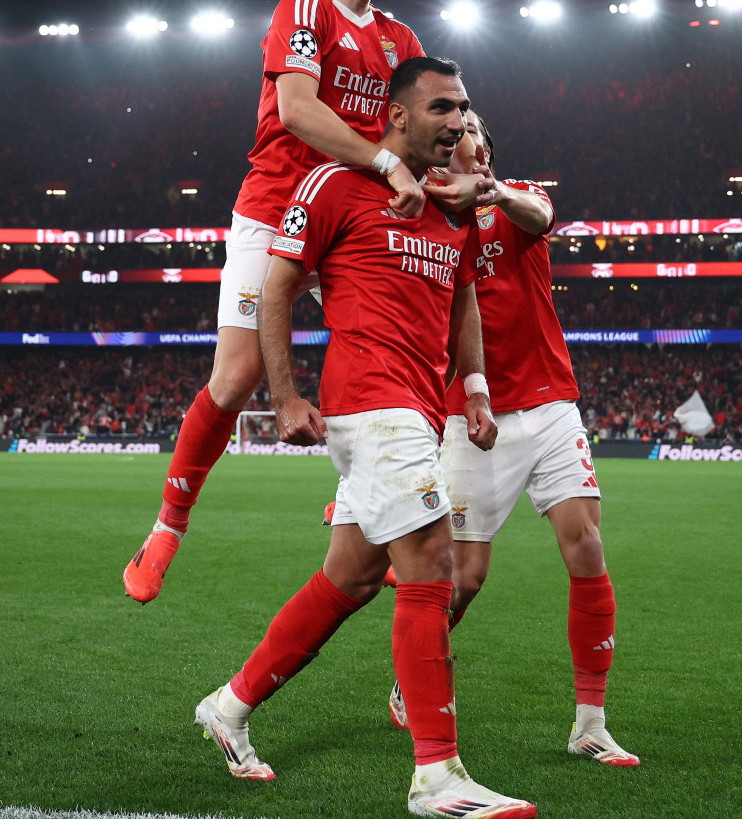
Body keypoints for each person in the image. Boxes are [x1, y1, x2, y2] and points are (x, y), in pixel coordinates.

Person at [193, 58, 536, 818]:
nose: (458, 121)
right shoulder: (334, 184)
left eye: (465, 108)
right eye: (443, 107)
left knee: (347, 580)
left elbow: (464, 303)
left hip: (419, 408)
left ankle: (231, 703)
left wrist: (475, 394)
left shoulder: (452, 205)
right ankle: (437, 777)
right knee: (431, 562)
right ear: (398, 117)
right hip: (369, 405)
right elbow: (277, 289)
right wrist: (284, 396)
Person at [123, 0, 431, 604]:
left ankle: (364, 504)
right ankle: (169, 524)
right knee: (234, 382)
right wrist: (386, 164)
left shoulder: (401, 38)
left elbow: (415, 126)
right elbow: (297, 109)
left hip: (355, 223)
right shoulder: (302, 9)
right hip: (275, 207)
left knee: (400, 359)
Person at [384, 111, 639, 768]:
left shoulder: (520, 196)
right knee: (464, 579)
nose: (470, 140)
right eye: (459, 132)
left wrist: (497, 192)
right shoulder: (424, 218)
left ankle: (591, 722)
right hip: (473, 416)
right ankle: (410, 678)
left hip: (551, 404)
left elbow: (541, 218)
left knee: (586, 542)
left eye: (477, 134)